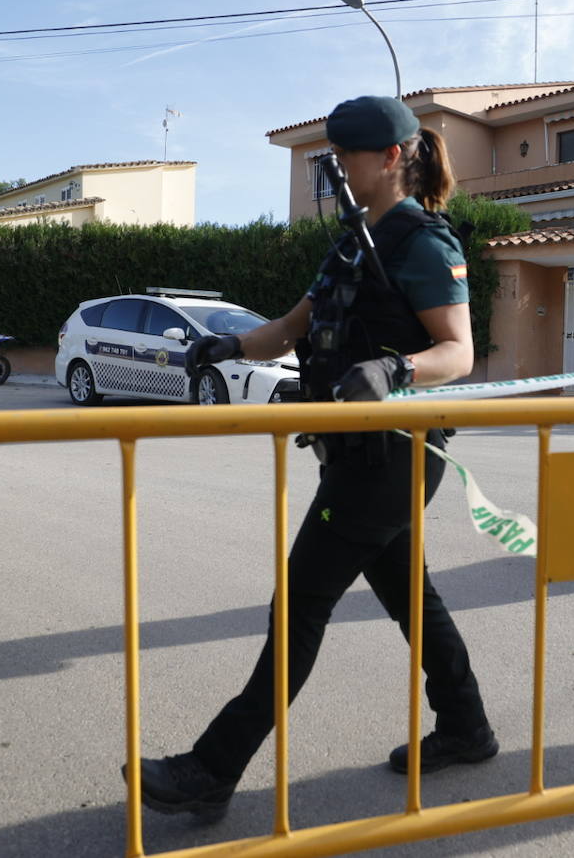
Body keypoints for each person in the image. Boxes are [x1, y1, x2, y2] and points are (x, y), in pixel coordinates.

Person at [128, 96, 496, 821]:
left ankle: (212, 767)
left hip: (391, 459)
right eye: (329, 160)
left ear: (391, 159)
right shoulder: (353, 242)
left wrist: (397, 371)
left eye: (346, 159)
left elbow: (459, 351)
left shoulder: (424, 241)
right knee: (412, 600)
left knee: (297, 607)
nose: (334, 174)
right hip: (353, 456)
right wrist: (229, 344)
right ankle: (467, 727)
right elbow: (292, 329)